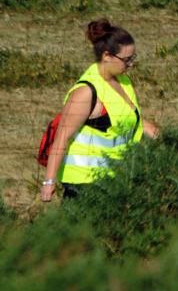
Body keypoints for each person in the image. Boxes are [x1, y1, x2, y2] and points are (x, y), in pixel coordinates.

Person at [40, 19, 159, 202]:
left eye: (133, 59)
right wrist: (49, 182)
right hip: (85, 185)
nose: (131, 65)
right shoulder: (86, 92)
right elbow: (61, 137)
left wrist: (165, 139)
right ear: (107, 56)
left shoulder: (124, 82)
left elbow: (128, 117)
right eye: (126, 60)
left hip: (115, 179)